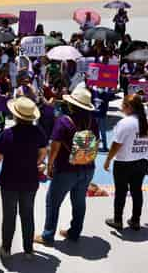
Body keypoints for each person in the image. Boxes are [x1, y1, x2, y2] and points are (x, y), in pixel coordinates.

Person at [35, 85, 98, 245]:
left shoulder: (64, 121)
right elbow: (96, 142)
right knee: (79, 202)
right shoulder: (93, 121)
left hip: (66, 169)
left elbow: (55, 146)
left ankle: (48, 236)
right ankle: (74, 232)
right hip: (88, 167)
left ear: (72, 104)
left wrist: (50, 166)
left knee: (53, 201)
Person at [0, 97, 47, 259]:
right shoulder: (38, 132)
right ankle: (28, 250)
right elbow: (44, 151)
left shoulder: (7, 134)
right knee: (27, 215)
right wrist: (36, 163)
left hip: (9, 180)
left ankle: (6, 249)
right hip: (30, 179)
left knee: (9, 215)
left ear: (16, 116)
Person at [104, 94, 148, 231]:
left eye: (123, 105)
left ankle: (117, 220)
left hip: (124, 163)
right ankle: (135, 220)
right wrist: (145, 155)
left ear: (129, 107)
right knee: (137, 191)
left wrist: (108, 160)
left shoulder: (125, 123)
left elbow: (116, 144)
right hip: (141, 162)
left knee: (121, 191)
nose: (121, 108)